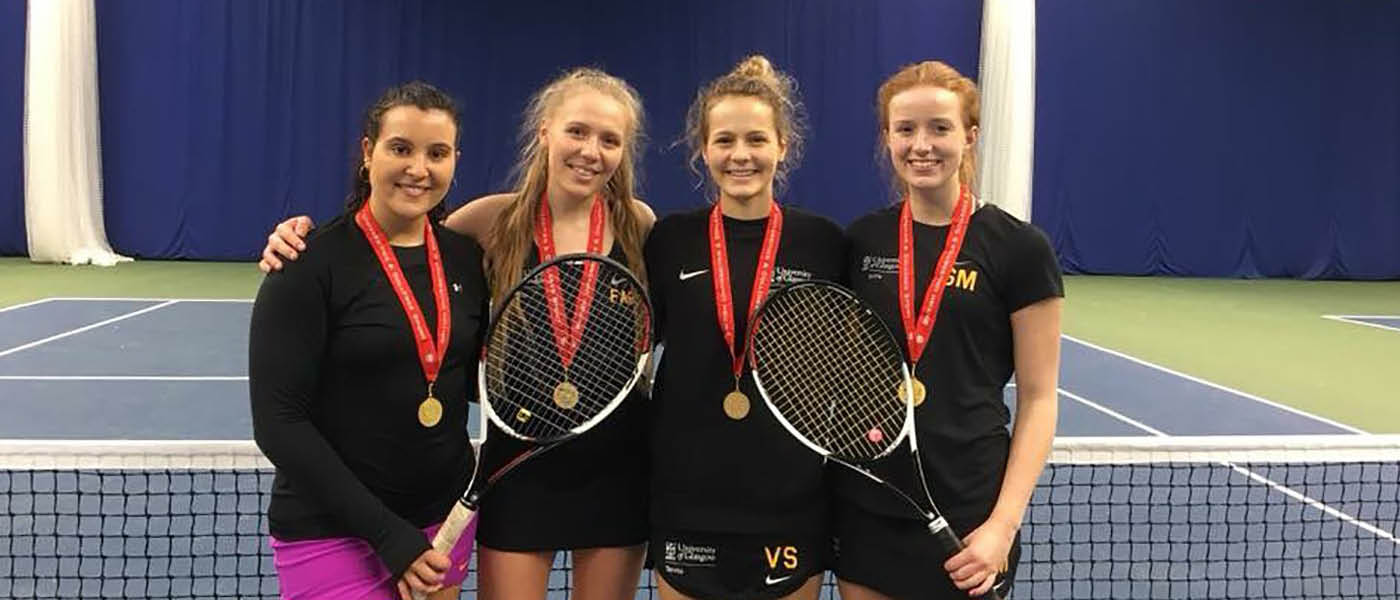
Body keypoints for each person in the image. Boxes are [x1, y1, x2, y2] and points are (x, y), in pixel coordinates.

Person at [257, 68, 657, 600]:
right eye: (577, 131)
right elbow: (392, 252)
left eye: (610, 139)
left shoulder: (641, 227)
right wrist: (295, 237)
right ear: (544, 132)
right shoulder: (488, 225)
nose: (590, 150)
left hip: (610, 476)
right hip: (513, 475)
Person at [249, 81, 488, 600]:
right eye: (401, 148)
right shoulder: (307, 263)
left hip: (440, 522)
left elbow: (466, 380)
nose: (418, 168)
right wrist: (388, 536)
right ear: (367, 152)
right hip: (330, 528)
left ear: (455, 160)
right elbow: (278, 423)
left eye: (437, 153)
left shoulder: (466, 259)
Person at [835, 60, 1063, 599]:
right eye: (905, 129)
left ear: (970, 135)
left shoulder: (1019, 249)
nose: (922, 144)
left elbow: (1038, 398)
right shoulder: (862, 241)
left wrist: (1001, 528)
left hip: (969, 512)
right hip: (868, 502)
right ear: (887, 137)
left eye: (940, 127)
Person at [643, 55, 846, 600]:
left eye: (756, 140)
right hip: (686, 492)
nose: (740, 156)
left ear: (782, 145)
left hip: (790, 492)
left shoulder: (823, 244)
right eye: (724, 140)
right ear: (702, 149)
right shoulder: (669, 240)